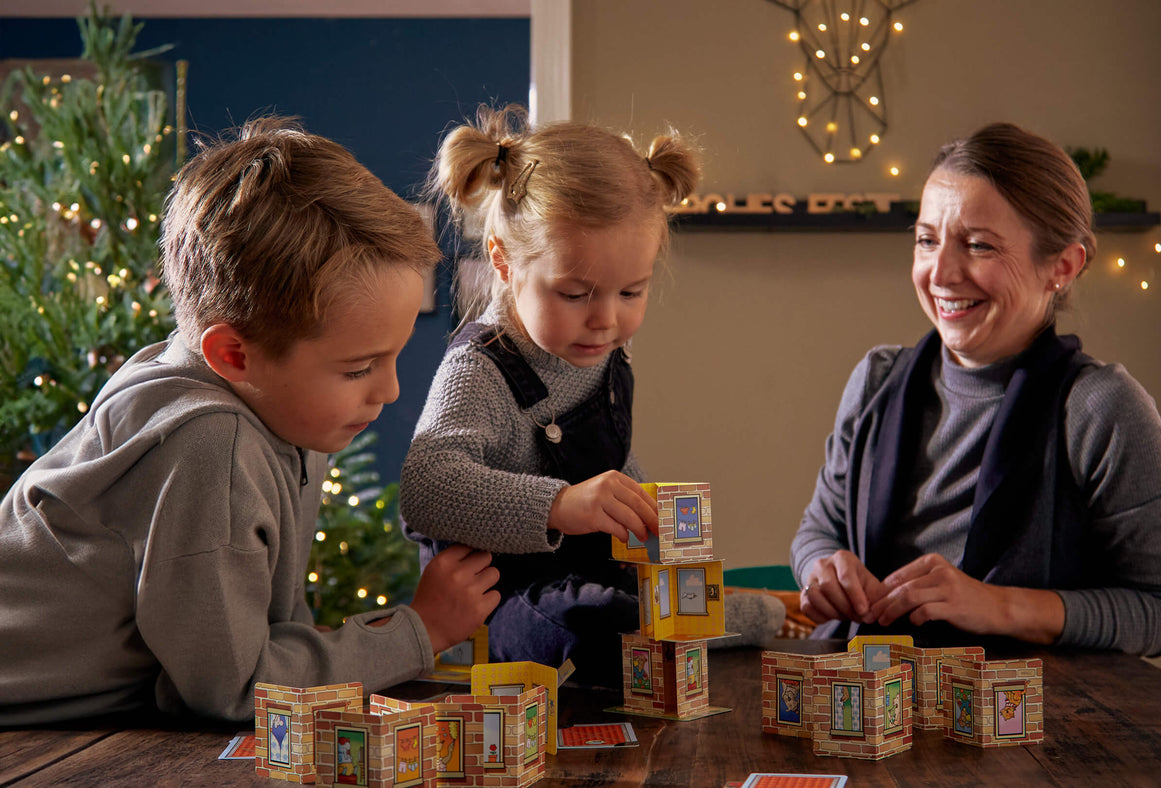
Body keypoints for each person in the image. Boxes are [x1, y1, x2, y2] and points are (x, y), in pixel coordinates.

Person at [0, 118, 501, 725]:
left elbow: (262, 632)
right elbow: (236, 690)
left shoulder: (273, 411)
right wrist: (420, 628)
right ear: (233, 355)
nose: (390, 391)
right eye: (358, 369)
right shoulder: (210, 443)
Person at [790, 123, 1161, 658]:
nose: (940, 272)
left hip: (1022, 724)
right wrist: (823, 566)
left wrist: (998, 606)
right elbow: (818, 530)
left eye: (978, 245)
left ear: (1062, 266)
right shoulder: (876, 379)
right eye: (926, 240)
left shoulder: (1101, 409)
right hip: (869, 707)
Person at [400, 104, 700, 687]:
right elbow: (424, 489)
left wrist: (639, 504)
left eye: (631, 292)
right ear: (504, 262)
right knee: (598, 616)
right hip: (504, 615)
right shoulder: (480, 371)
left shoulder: (605, 353)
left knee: (664, 618)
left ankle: (752, 614)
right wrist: (562, 505)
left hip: (593, 582)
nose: (606, 321)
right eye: (574, 294)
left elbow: (609, 463)